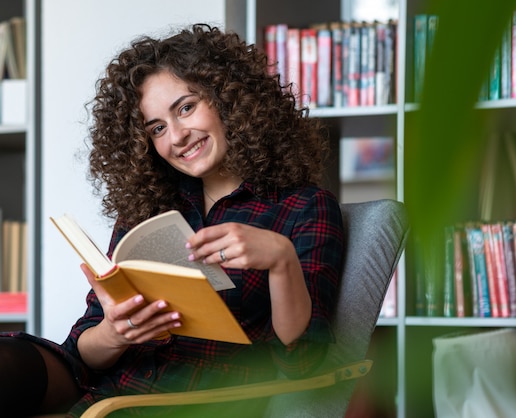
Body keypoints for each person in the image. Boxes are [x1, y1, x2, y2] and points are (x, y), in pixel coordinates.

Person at [0, 23, 344, 417]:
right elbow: (85, 349)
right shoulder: (149, 208)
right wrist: (115, 333)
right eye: (158, 128)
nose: (177, 136)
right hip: (102, 382)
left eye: (186, 107)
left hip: (184, 398)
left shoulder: (304, 207)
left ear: (230, 100)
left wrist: (282, 261)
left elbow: (303, 365)